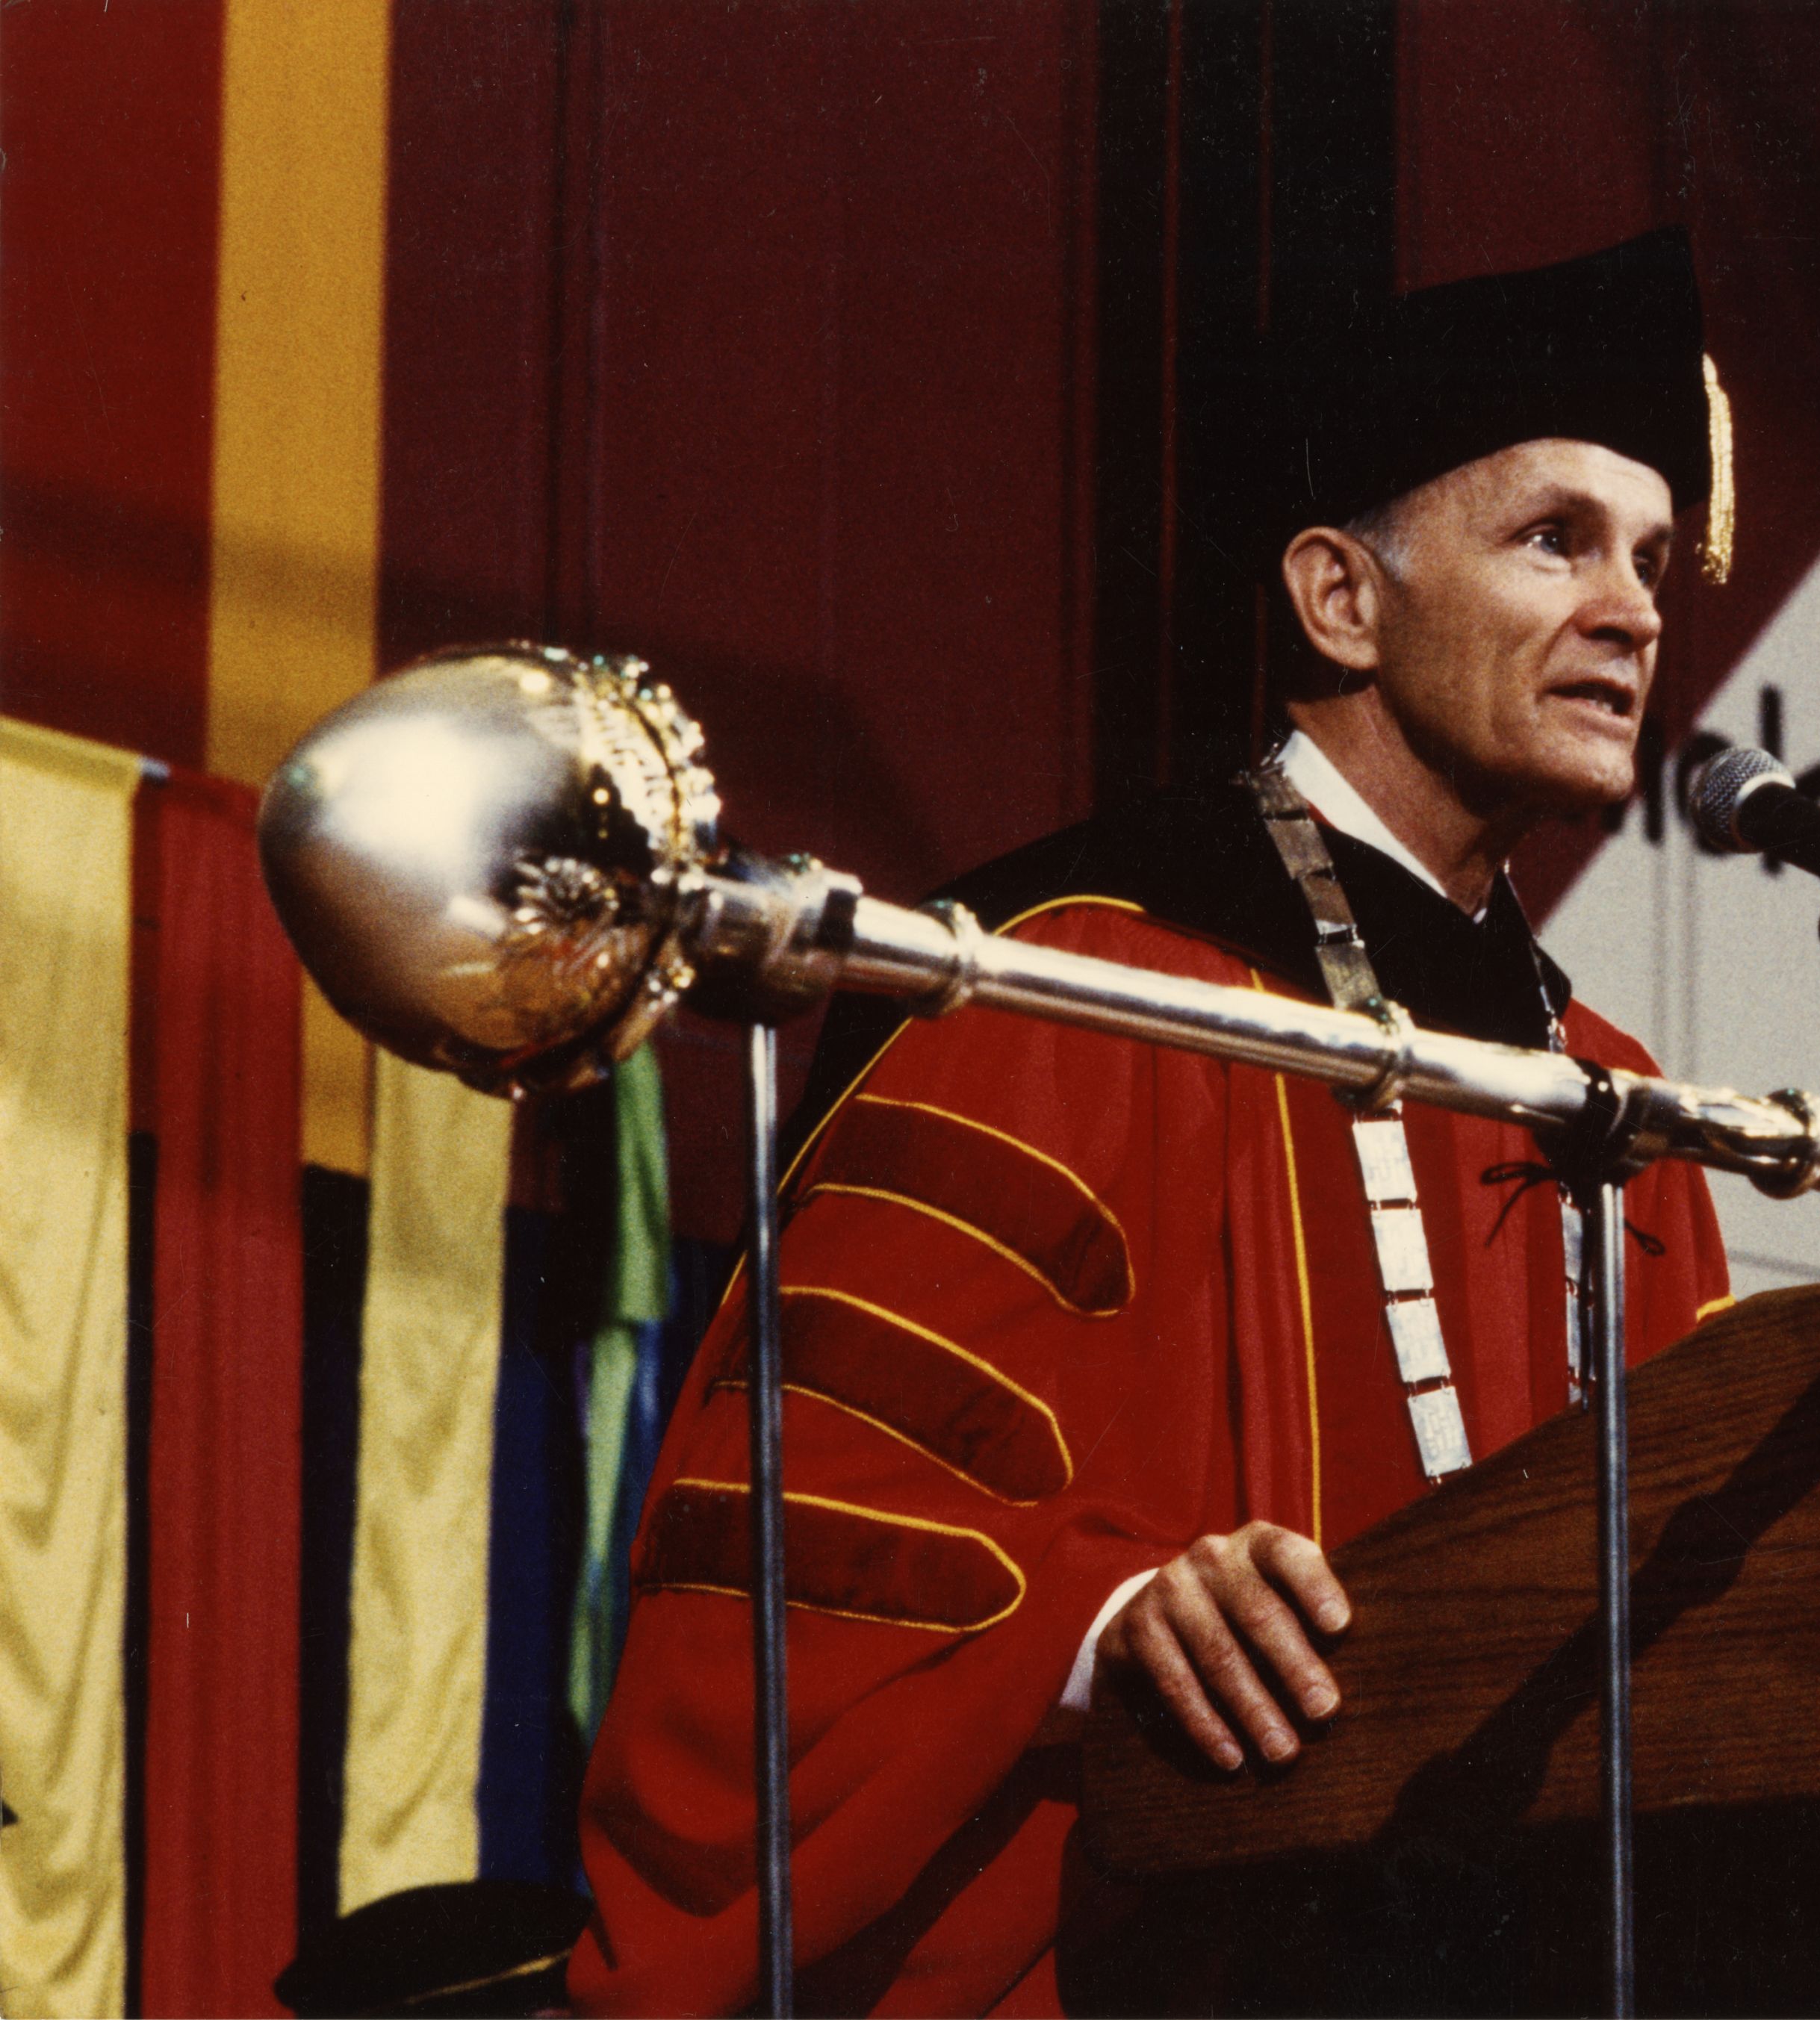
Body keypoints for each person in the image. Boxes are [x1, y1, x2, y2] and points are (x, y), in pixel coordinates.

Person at [566, 229, 1736, 2016]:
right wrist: (1108, 1628)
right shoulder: (1063, 983)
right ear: (1339, 600)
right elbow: (819, 1544)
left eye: (1649, 559)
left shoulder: (1614, 1112)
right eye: (1552, 540)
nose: (1635, 612)